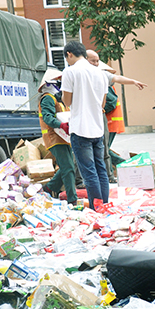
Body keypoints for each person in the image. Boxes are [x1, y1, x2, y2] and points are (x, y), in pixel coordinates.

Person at [60, 41, 109, 210]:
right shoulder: (100, 73)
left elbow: (67, 101)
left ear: (69, 55)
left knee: (89, 173)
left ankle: (97, 208)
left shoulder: (70, 71)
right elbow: (103, 103)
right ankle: (105, 205)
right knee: (101, 169)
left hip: (80, 128)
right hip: (97, 128)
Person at [85, 50, 147, 176]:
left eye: (97, 61)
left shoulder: (102, 76)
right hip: (90, 118)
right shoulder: (79, 75)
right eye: (93, 61)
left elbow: (117, 79)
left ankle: (118, 169)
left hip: (106, 120)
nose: (96, 64)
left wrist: (133, 81)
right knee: (98, 149)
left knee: (104, 149)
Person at [37, 69, 77, 205]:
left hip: (62, 138)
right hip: (55, 138)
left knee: (69, 166)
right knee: (68, 168)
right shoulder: (47, 98)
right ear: (51, 84)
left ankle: (49, 187)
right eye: (58, 82)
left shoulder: (56, 99)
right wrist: (61, 125)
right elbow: (48, 118)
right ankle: (72, 200)